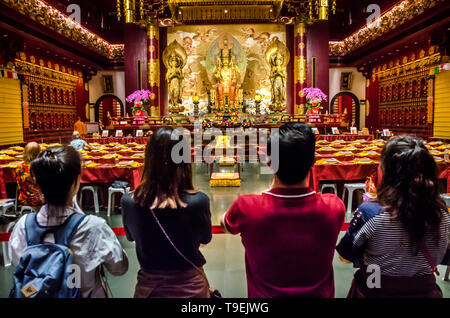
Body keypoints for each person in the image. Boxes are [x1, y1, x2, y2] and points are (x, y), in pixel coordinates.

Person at [221, 122, 345, 298]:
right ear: (313, 162)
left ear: (269, 163)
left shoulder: (247, 207)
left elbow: (225, 224)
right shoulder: (334, 207)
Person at [337, 136, 450, 298]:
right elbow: (445, 256)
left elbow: (345, 256)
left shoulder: (370, 213)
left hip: (374, 290)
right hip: (424, 291)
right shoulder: (441, 215)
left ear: (384, 173)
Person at [9, 145, 128, 297]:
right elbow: (119, 268)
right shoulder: (93, 226)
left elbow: (18, 265)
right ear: (77, 181)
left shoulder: (23, 225)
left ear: (38, 184)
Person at [121, 127, 212, 298]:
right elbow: (205, 239)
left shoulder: (130, 202)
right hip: (191, 288)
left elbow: (131, 238)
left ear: (149, 159)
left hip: (150, 289)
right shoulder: (198, 202)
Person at [15, 142, 45, 208]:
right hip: (39, 200)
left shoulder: (19, 167)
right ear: (38, 153)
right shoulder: (40, 166)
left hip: (24, 199)